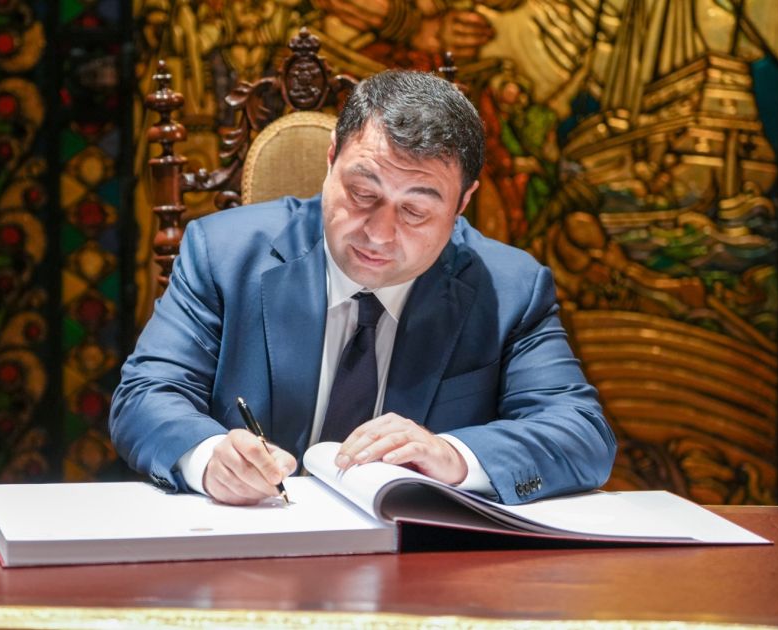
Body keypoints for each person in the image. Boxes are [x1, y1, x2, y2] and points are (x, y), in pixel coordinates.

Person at [110, 70, 616, 506]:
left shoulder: (510, 289)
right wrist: (207, 458)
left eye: (415, 211)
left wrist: (455, 455)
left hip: (419, 562)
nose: (379, 234)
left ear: (463, 203)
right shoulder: (224, 254)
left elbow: (581, 433)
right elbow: (146, 394)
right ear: (331, 158)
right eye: (362, 193)